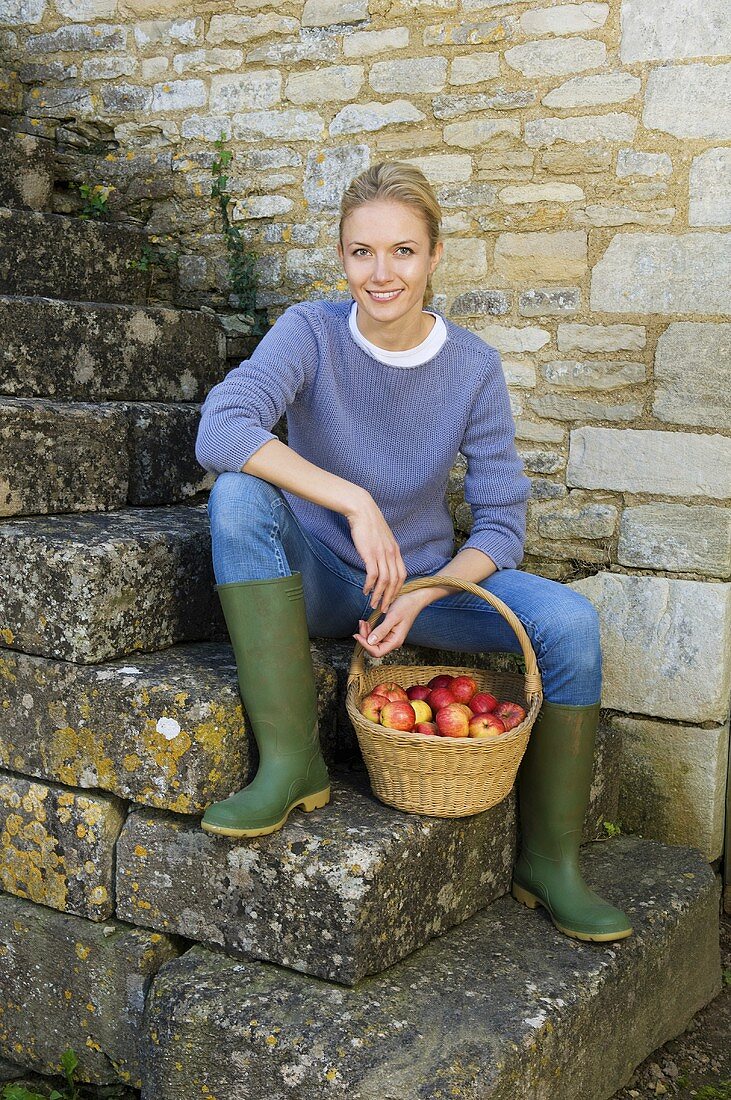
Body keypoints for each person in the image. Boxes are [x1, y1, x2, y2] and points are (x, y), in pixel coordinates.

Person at [195, 161, 632, 944]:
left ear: (433, 256)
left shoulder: (470, 367)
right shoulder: (310, 332)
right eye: (361, 252)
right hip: (322, 575)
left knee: (568, 623)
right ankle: (291, 767)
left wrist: (425, 593)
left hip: (427, 585)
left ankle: (553, 863)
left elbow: (500, 524)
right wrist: (351, 499)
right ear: (340, 257)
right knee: (236, 495)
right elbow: (222, 427)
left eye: (402, 251)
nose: (381, 272)